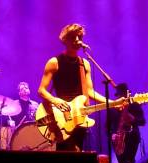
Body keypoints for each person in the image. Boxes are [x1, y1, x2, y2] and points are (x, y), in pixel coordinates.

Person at [37, 23, 108, 152]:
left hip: (80, 115)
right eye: (73, 37)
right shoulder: (54, 62)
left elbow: (90, 92)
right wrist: (55, 100)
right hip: (61, 115)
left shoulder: (84, 64)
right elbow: (41, 90)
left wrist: (112, 103)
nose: (77, 40)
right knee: (68, 152)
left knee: (78, 150)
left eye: (79, 37)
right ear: (65, 39)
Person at [109, 83, 146, 163]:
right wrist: (112, 135)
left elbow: (143, 122)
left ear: (127, 94)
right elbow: (107, 127)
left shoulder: (135, 105)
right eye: (119, 95)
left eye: (123, 94)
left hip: (132, 139)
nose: (121, 97)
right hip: (117, 142)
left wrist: (133, 119)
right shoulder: (113, 107)